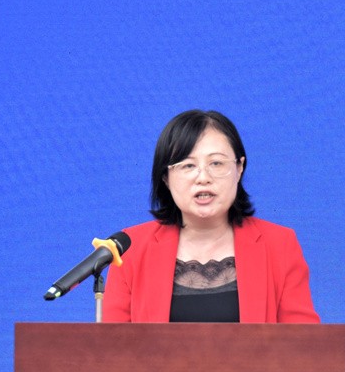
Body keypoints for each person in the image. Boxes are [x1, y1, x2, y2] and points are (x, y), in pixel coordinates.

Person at [103, 109, 320, 324]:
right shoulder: (130, 250)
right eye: (188, 165)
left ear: (239, 168)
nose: (203, 178)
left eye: (216, 163)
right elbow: (113, 343)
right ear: (166, 178)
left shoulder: (279, 245)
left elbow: (304, 341)